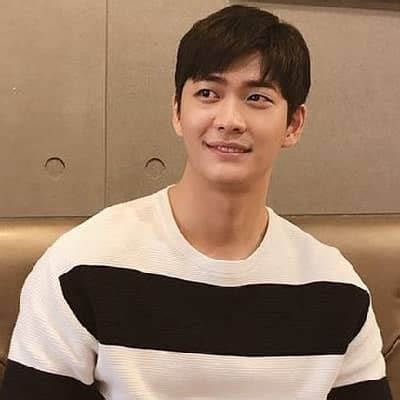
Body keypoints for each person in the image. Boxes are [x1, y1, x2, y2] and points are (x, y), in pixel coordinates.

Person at [0, 4, 392, 399]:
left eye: (257, 97)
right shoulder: (81, 266)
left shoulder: (337, 289)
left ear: (293, 124)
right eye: (208, 93)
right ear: (177, 111)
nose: (229, 119)